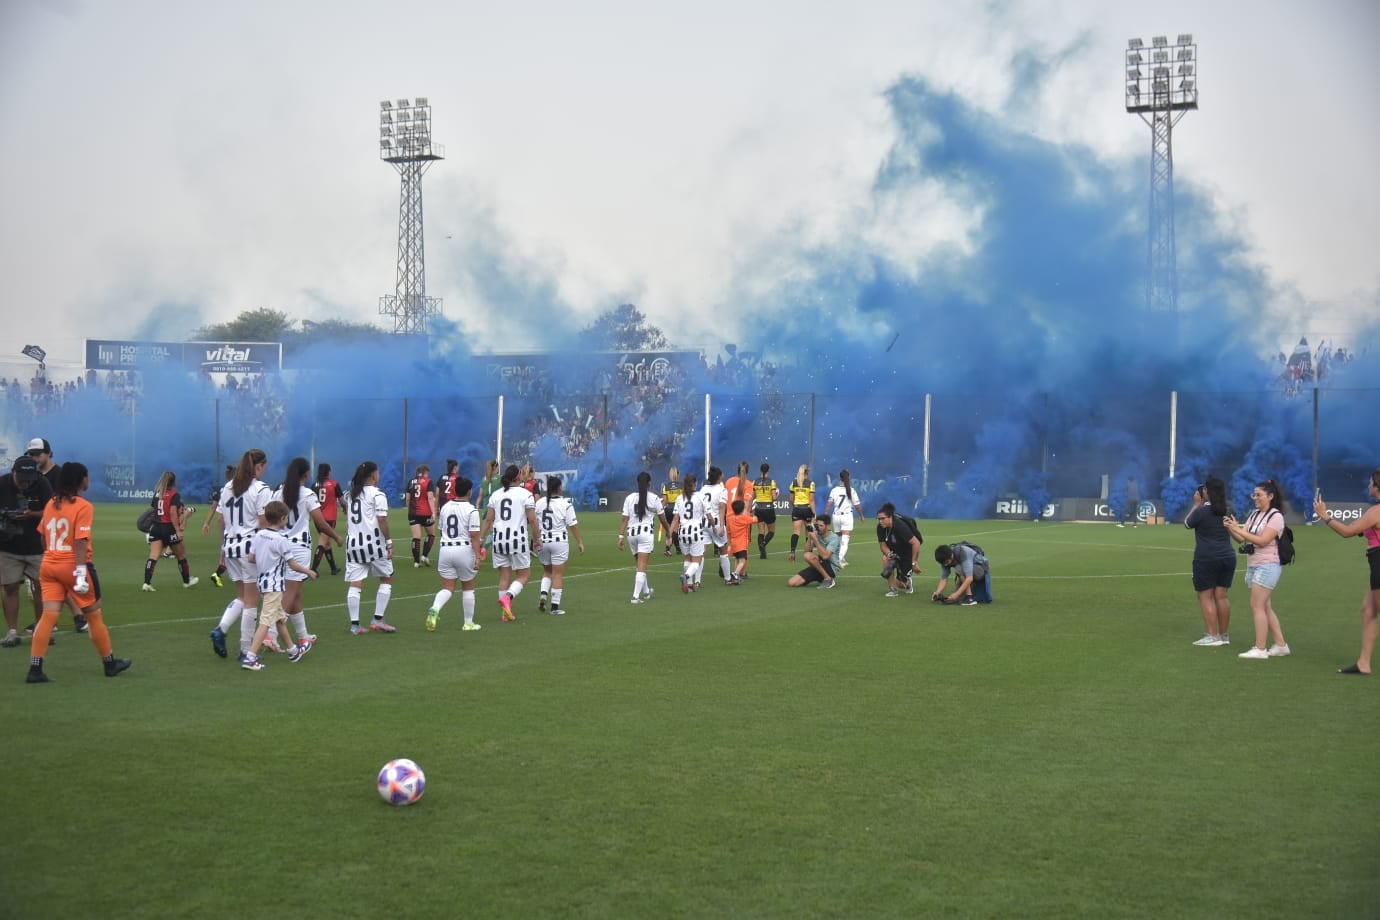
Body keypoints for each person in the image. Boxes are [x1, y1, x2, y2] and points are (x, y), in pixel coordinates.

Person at [25, 462, 132, 683]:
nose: (88, 479)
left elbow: (43, 536)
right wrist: (81, 573)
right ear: (81, 480)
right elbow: (80, 541)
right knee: (94, 615)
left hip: (49, 564)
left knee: (48, 616)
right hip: (72, 566)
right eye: (87, 475)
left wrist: (51, 556)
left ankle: (35, 669)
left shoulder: (50, 504)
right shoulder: (83, 506)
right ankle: (109, 663)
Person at [207, 449, 272, 661]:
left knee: (242, 597)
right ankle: (245, 651)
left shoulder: (228, 487)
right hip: (249, 548)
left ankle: (221, 630)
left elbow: (220, 521)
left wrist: (223, 547)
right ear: (259, 466)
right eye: (264, 466)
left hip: (231, 547)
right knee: (252, 601)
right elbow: (263, 522)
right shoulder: (260, 489)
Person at [270, 457, 341, 651]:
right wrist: (336, 537)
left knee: (296, 594)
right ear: (306, 474)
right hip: (299, 548)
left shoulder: (278, 492)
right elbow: (321, 523)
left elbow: (270, 518)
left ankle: (303, 635)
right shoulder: (307, 494)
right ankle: (271, 634)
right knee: (291, 592)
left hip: (280, 546)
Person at [1314, 469, 1380, 675]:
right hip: (1375, 562)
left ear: (1377, 486)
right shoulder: (1373, 512)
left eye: (1371, 483)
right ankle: (1363, 663)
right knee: (1368, 611)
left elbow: (1348, 532)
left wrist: (1325, 516)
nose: (1368, 486)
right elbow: (1357, 528)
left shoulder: (1376, 511)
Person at [239, 500, 317, 671]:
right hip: (275, 584)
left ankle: (292, 651)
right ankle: (251, 657)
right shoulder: (281, 540)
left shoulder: (259, 535)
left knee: (279, 618)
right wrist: (309, 571)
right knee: (266, 621)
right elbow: (293, 565)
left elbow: (251, 558)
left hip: (262, 582)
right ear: (282, 519)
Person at [1224, 478, 1291, 661]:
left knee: (1257, 606)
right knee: (1265, 607)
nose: (1255, 498)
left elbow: (1262, 541)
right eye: (1254, 495)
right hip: (1254, 565)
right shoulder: (1254, 514)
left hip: (1268, 565)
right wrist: (1231, 527)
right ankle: (1281, 645)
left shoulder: (1276, 516)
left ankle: (1260, 648)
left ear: (1270, 496)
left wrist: (1239, 529)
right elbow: (1241, 539)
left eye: (1259, 495)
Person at [23, 438, 85, 634]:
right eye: (31, 454)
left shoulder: (58, 475)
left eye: (37, 454)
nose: (34, 458)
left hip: (55, 535)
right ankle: (75, 617)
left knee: (45, 582)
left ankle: (57, 619)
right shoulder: (29, 474)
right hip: (33, 532)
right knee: (47, 582)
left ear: (49, 453)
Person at [478, 464, 542, 622]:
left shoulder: (496, 495)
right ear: (518, 477)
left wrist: (480, 539)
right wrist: (537, 539)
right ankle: (508, 597)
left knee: (504, 577)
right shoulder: (525, 494)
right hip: (517, 540)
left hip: (499, 540)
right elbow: (532, 519)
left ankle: (504, 613)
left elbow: (488, 519)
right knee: (524, 575)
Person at [1, 455, 52, 648]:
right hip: (7, 545)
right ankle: (12, 631)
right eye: (22, 479)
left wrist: (32, 514)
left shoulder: (42, 483)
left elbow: (51, 509)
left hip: (35, 544)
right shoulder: (2, 484)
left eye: (29, 480)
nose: (25, 483)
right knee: (10, 587)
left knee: (42, 587)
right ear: (13, 473)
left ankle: (41, 629)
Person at [343, 461, 397, 634]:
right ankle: (378, 620)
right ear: (373, 475)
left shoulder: (351, 494)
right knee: (386, 578)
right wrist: (389, 542)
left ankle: (355, 625)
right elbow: (382, 520)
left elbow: (348, 522)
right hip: (374, 544)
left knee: (356, 583)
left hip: (354, 545)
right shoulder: (377, 494)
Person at [426, 475, 483, 632]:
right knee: (468, 587)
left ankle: (435, 608)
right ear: (469, 492)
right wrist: (477, 556)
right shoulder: (472, 510)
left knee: (447, 588)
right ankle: (468, 623)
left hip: (445, 549)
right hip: (463, 549)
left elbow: (440, 530)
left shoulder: (445, 507)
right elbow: (474, 536)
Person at [1185, 476, 1235, 647]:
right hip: (1227, 555)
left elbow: (1187, 523)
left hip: (1207, 557)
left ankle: (1212, 635)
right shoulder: (1227, 509)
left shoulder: (1202, 511)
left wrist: (1196, 504)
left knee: (1205, 596)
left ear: (1206, 491)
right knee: (1221, 596)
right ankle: (1224, 635)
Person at [141, 471, 199, 592]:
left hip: (156, 528)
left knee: (153, 556)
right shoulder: (174, 495)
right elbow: (172, 513)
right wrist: (178, 530)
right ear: (174, 482)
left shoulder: (157, 494)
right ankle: (187, 581)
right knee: (181, 555)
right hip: (168, 528)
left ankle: (146, 583)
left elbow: (154, 509)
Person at [535, 475, 584, 614]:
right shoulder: (566, 504)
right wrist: (580, 542)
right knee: (557, 575)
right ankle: (555, 607)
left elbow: (534, 522)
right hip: (559, 542)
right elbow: (573, 525)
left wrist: (535, 540)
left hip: (543, 541)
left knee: (547, 571)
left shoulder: (539, 503)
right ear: (559, 488)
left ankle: (543, 594)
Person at [618, 471, 664, 603]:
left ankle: (646, 591)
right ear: (650, 483)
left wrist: (620, 536)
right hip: (645, 534)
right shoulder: (654, 498)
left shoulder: (629, 498)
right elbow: (663, 519)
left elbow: (624, 519)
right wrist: (668, 532)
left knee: (640, 565)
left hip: (631, 535)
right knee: (642, 566)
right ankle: (635, 596)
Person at [670, 471, 708, 593]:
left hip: (682, 533)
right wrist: (713, 525)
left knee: (687, 559)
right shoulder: (700, 496)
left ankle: (690, 586)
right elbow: (709, 515)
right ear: (695, 484)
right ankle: (686, 577)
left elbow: (676, 518)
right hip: (696, 532)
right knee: (697, 560)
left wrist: (669, 533)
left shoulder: (679, 498)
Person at [875, 503, 923, 597]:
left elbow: (916, 543)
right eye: (879, 519)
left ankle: (907, 582)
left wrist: (914, 563)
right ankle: (892, 590)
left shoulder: (900, 526)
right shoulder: (880, 528)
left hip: (907, 552)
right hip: (894, 551)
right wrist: (888, 553)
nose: (880, 521)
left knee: (900, 584)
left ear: (890, 517)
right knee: (885, 558)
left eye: (883, 518)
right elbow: (882, 545)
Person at [311, 462, 346, 575]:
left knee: (327, 543)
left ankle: (333, 568)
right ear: (329, 472)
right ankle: (313, 569)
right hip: (329, 518)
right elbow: (342, 501)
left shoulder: (314, 485)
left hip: (317, 518)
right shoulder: (334, 484)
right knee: (323, 542)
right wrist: (345, 509)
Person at [699, 466, 732, 584]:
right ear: (719, 476)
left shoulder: (703, 489)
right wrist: (723, 525)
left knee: (701, 552)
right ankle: (728, 579)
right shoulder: (722, 490)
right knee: (723, 550)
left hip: (704, 523)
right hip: (716, 522)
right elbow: (722, 507)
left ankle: (697, 580)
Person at [825, 470, 864, 568]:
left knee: (838, 538)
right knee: (845, 540)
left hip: (836, 516)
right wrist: (861, 515)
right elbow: (857, 505)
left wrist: (825, 515)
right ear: (848, 478)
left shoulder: (834, 490)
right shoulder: (851, 490)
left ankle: (837, 557)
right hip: (846, 516)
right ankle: (839, 559)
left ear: (840, 478)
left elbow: (829, 504)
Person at [787, 515, 840, 588]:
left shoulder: (834, 538)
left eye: (821, 526)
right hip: (819, 566)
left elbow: (825, 556)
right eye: (817, 525)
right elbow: (806, 550)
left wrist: (815, 540)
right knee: (792, 582)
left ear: (827, 526)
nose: (819, 528)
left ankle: (828, 579)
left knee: (808, 556)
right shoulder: (817, 534)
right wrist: (809, 537)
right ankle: (822, 578)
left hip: (831, 568)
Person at [203, 465, 234, 586]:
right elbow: (219, 516)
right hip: (235, 527)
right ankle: (218, 573)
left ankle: (220, 574)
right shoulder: (231, 491)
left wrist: (207, 523)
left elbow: (214, 509)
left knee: (227, 552)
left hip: (230, 527)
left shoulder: (224, 490)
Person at [406, 463, 439, 567]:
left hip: (413, 513)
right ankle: (424, 555)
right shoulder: (428, 482)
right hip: (426, 513)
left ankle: (416, 562)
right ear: (425, 472)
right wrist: (433, 512)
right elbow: (430, 497)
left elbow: (407, 498)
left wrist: (410, 508)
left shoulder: (410, 482)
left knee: (416, 537)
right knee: (431, 534)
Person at [787, 464, 816, 562]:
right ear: (807, 473)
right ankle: (809, 552)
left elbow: (791, 499)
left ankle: (792, 552)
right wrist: (814, 513)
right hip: (806, 509)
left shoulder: (793, 483)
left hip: (797, 509)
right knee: (808, 532)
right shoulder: (810, 484)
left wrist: (795, 506)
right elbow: (811, 500)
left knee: (796, 532)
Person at [752, 463, 779, 559]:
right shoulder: (772, 482)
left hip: (758, 508)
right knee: (771, 531)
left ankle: (762, 554)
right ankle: (763, 544)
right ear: (768, 470)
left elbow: (752, 496)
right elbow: (774, 498)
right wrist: (776, 494)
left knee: (761, 532)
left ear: (760, 470)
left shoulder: (755, 481)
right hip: (768, 509)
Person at [725, 499, 755, 584]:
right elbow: (754, 520)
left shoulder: (731, 518)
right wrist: (754, 514)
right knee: (742, 560)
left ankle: (736, 575)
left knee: (737, 559)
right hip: (741, 543)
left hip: (734, 542)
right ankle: (735, 574)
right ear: (742, 509)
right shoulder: (743, 518)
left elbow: (729, 531)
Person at [659, 465, 683, 557]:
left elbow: (665, 501)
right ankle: (667, 548)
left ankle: (678, 549)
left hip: (668, 510)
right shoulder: (682, 485)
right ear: (678, 474)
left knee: (672, 529)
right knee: (675, 530)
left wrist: (660, 510)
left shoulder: (666, 485)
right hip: (677, 510)